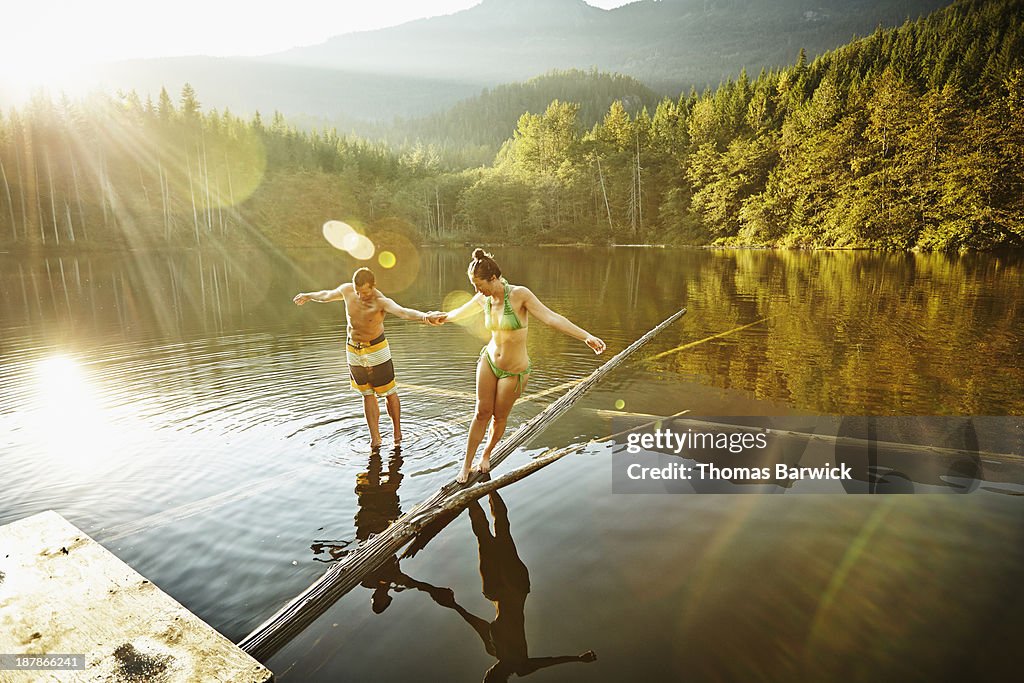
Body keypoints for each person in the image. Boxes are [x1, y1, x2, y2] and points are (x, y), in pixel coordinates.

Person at [439, 249, 606, 483]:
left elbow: (551, 318)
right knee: (481, 412)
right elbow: (458, 313)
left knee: (498, 417)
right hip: (489, 360)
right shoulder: (482, 298)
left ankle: (486, 453)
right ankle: (466, 465)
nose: (477, 291)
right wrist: (441, 317)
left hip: (514, 371)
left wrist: (585, 336)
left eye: (479, 285)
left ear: (494, 279)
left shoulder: (519, 295)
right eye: (474, 286)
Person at [294, 267, 443, 449]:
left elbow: (403, 312)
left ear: (373, 286)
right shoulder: (347, 290)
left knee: (389, 392)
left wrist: (426, 317)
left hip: (376, 349)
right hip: (353, 350)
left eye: (365, 292)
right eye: (358, 292)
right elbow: (326, 294)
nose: (361, 296)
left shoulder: (381, 301)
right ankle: (376, 438)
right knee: (366, 394)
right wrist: (308, 295)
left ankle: (397, 433)